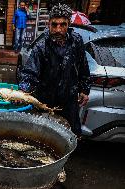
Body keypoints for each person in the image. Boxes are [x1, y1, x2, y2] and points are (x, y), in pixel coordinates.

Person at [18, 3, 90, 137]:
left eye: (63, 25)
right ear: (48, 24)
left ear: (68, 24)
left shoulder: (76, 42)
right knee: (41, 136)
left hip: (69, 100)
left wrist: (84, 90)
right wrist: (23, 91)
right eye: (54, 25)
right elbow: (29, 73)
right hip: (45, 100)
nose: (58, 29)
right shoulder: (41, 47)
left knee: (69, 135)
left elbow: (83, 68)